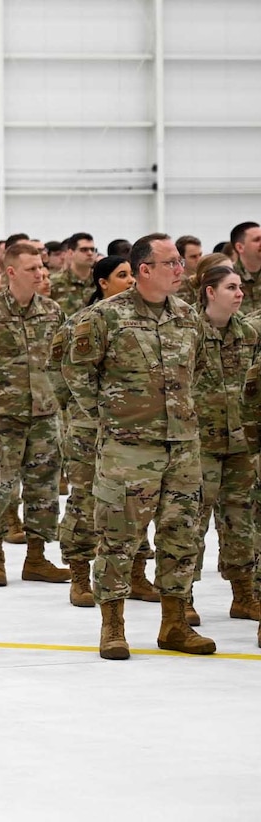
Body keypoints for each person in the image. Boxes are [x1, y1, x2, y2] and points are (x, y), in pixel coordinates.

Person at [63, 233, 215, 659]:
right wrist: (109, 417)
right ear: (144, 269)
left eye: (180, 263)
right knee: (118, 537)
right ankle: (113, 626)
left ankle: (174, 624)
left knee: (181, 536)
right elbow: (75, 370)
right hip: (127, 447)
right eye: (171, 263)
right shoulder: (104, 317)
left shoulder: (187, 317)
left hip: (182, 445)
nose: (180, 269)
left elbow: (197, 368)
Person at [0, 243, 69, 591]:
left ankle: (36, 557)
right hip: (0, 418)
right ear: (11, 272)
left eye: (41, 267)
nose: (40, 273)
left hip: (44, 415)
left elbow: (61, 362)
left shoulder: (53, 312)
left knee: (44, 488)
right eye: (32, 268)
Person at [49, 255, 142, 608]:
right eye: (122, 276)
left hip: (133, 429)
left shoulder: (142, 323)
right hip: (89, 428)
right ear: (102, 282)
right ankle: (79, 572)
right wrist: (88, 411)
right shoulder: (81, 323)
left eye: (133, 274)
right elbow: (59, 373)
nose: (131, 281)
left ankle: (135, 573)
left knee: (134, 501)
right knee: (85, 498)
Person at [191, 262, 261, 622]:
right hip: (199, 444)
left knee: (240, 521)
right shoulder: (188, 331)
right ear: (210, 292)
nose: (240, 293)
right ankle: (182, 598)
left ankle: (243, 595)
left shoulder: (248, 333)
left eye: (240, 287)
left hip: (239, 446)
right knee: (191, 522)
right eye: (232, 287)